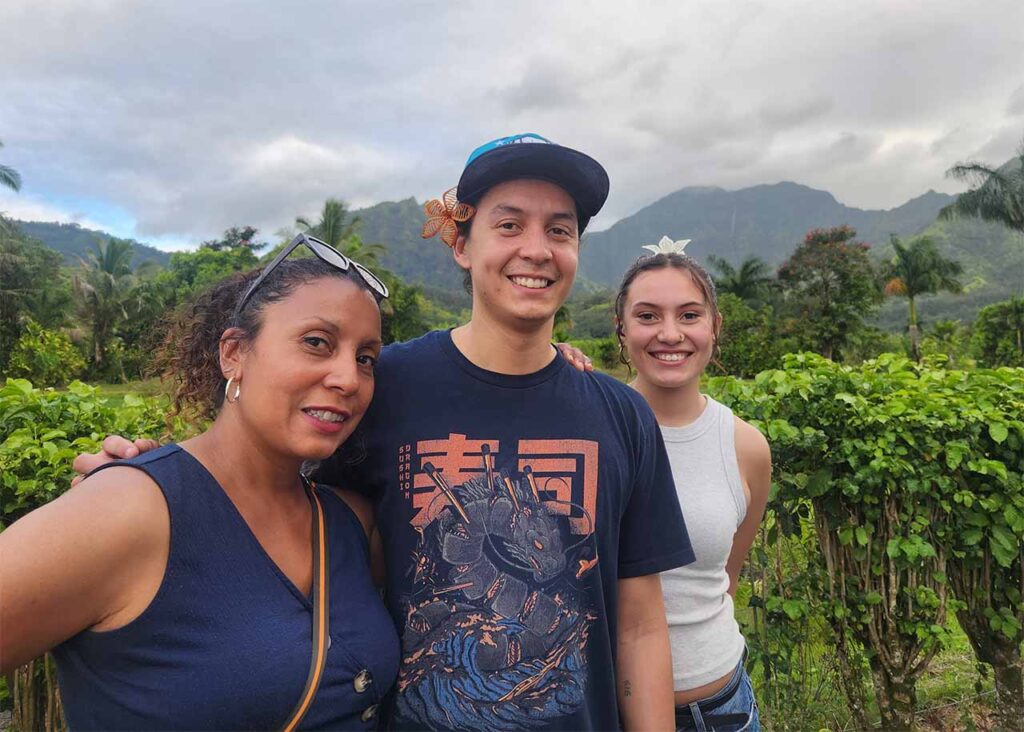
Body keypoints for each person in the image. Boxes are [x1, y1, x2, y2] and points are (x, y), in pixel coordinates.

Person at [72, 133, 695, 731]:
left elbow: (639, 624)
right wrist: (158, 483)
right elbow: (268, 498)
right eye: (509, 225)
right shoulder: (381, 384)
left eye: (559, 230)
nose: (536, 248)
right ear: (462, 243)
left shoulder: (619, 413)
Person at [1, 241, 401, 730]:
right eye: (316, 342)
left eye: (366, 358)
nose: (349, 378)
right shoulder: (129, 510)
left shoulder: (351, 525)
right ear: (234, 353)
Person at [613, 237, 772, 732]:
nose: (669, 334)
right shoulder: (593, 429)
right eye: (647, 316)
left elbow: (726, 578)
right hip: (609, 709)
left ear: (713, 327)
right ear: (621, 329)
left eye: (688, 315)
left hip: (725, 708)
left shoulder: (746, 447)